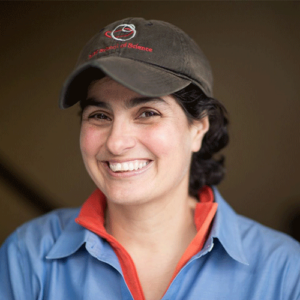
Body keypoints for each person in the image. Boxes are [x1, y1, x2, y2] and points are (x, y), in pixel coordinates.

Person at [0, 17, 299, 300]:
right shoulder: (28, 255)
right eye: (100, 115)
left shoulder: (284, 270)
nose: (116, 142)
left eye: (147, 113)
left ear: (198, 129)